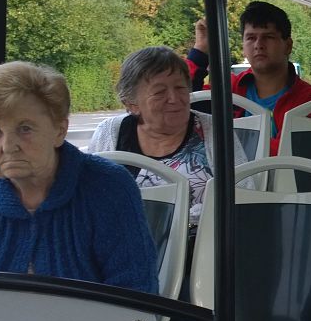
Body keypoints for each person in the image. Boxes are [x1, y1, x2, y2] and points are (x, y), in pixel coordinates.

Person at [0, 61, 157, 293]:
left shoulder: (109, 188)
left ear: (59, 131)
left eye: (25, 129)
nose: (8, 146)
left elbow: (136, 291)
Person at [88, 46, 246, 225]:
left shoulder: (216, 131)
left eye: (180, 88)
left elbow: (245, 196)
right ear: (132, 104)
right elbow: (89, 199)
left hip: (204, 240)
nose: (174, 98)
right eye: (159, 92)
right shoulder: (110, 133)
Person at [186, 1, 311, 155]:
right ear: (243, 47)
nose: (259, 45)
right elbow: (181, 101)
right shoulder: (229, 89)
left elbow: (290, 154)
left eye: (268, 37)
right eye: (251, 38)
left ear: (288, 45)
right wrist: (200, 50)